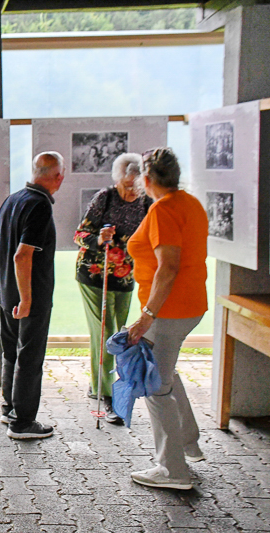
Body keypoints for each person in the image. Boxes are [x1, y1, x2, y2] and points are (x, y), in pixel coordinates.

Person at [126, 147, 208, 490]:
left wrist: (147, 316)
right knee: (165, 371)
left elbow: (168, 266)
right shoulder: (190, 203)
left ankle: (172, 470)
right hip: (190, 306)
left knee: (155, 386)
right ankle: (188, 442)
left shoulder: (162, 209)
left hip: (168, 311)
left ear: (146, 179)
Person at [0, 151, 65, 440]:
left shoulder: (13, 199)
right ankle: (22, 422)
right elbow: (22, 255)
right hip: (30, 296)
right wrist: (27, 299)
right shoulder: (40, 205)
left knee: (11, 352)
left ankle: (9, 409)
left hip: (7, 292)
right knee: (30, 357)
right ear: (58, 177)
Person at [74, 153, 152, 424]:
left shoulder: (146, 202)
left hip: (126, 277)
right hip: (95, 274)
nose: (131, 192)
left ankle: (99, 383)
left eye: (136, 186)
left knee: (120, 332)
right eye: (127, 186)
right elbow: (80, 234)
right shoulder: (104, 198)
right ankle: (106, 396)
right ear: (117, 180)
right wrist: (99, 238)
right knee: (105, 332)